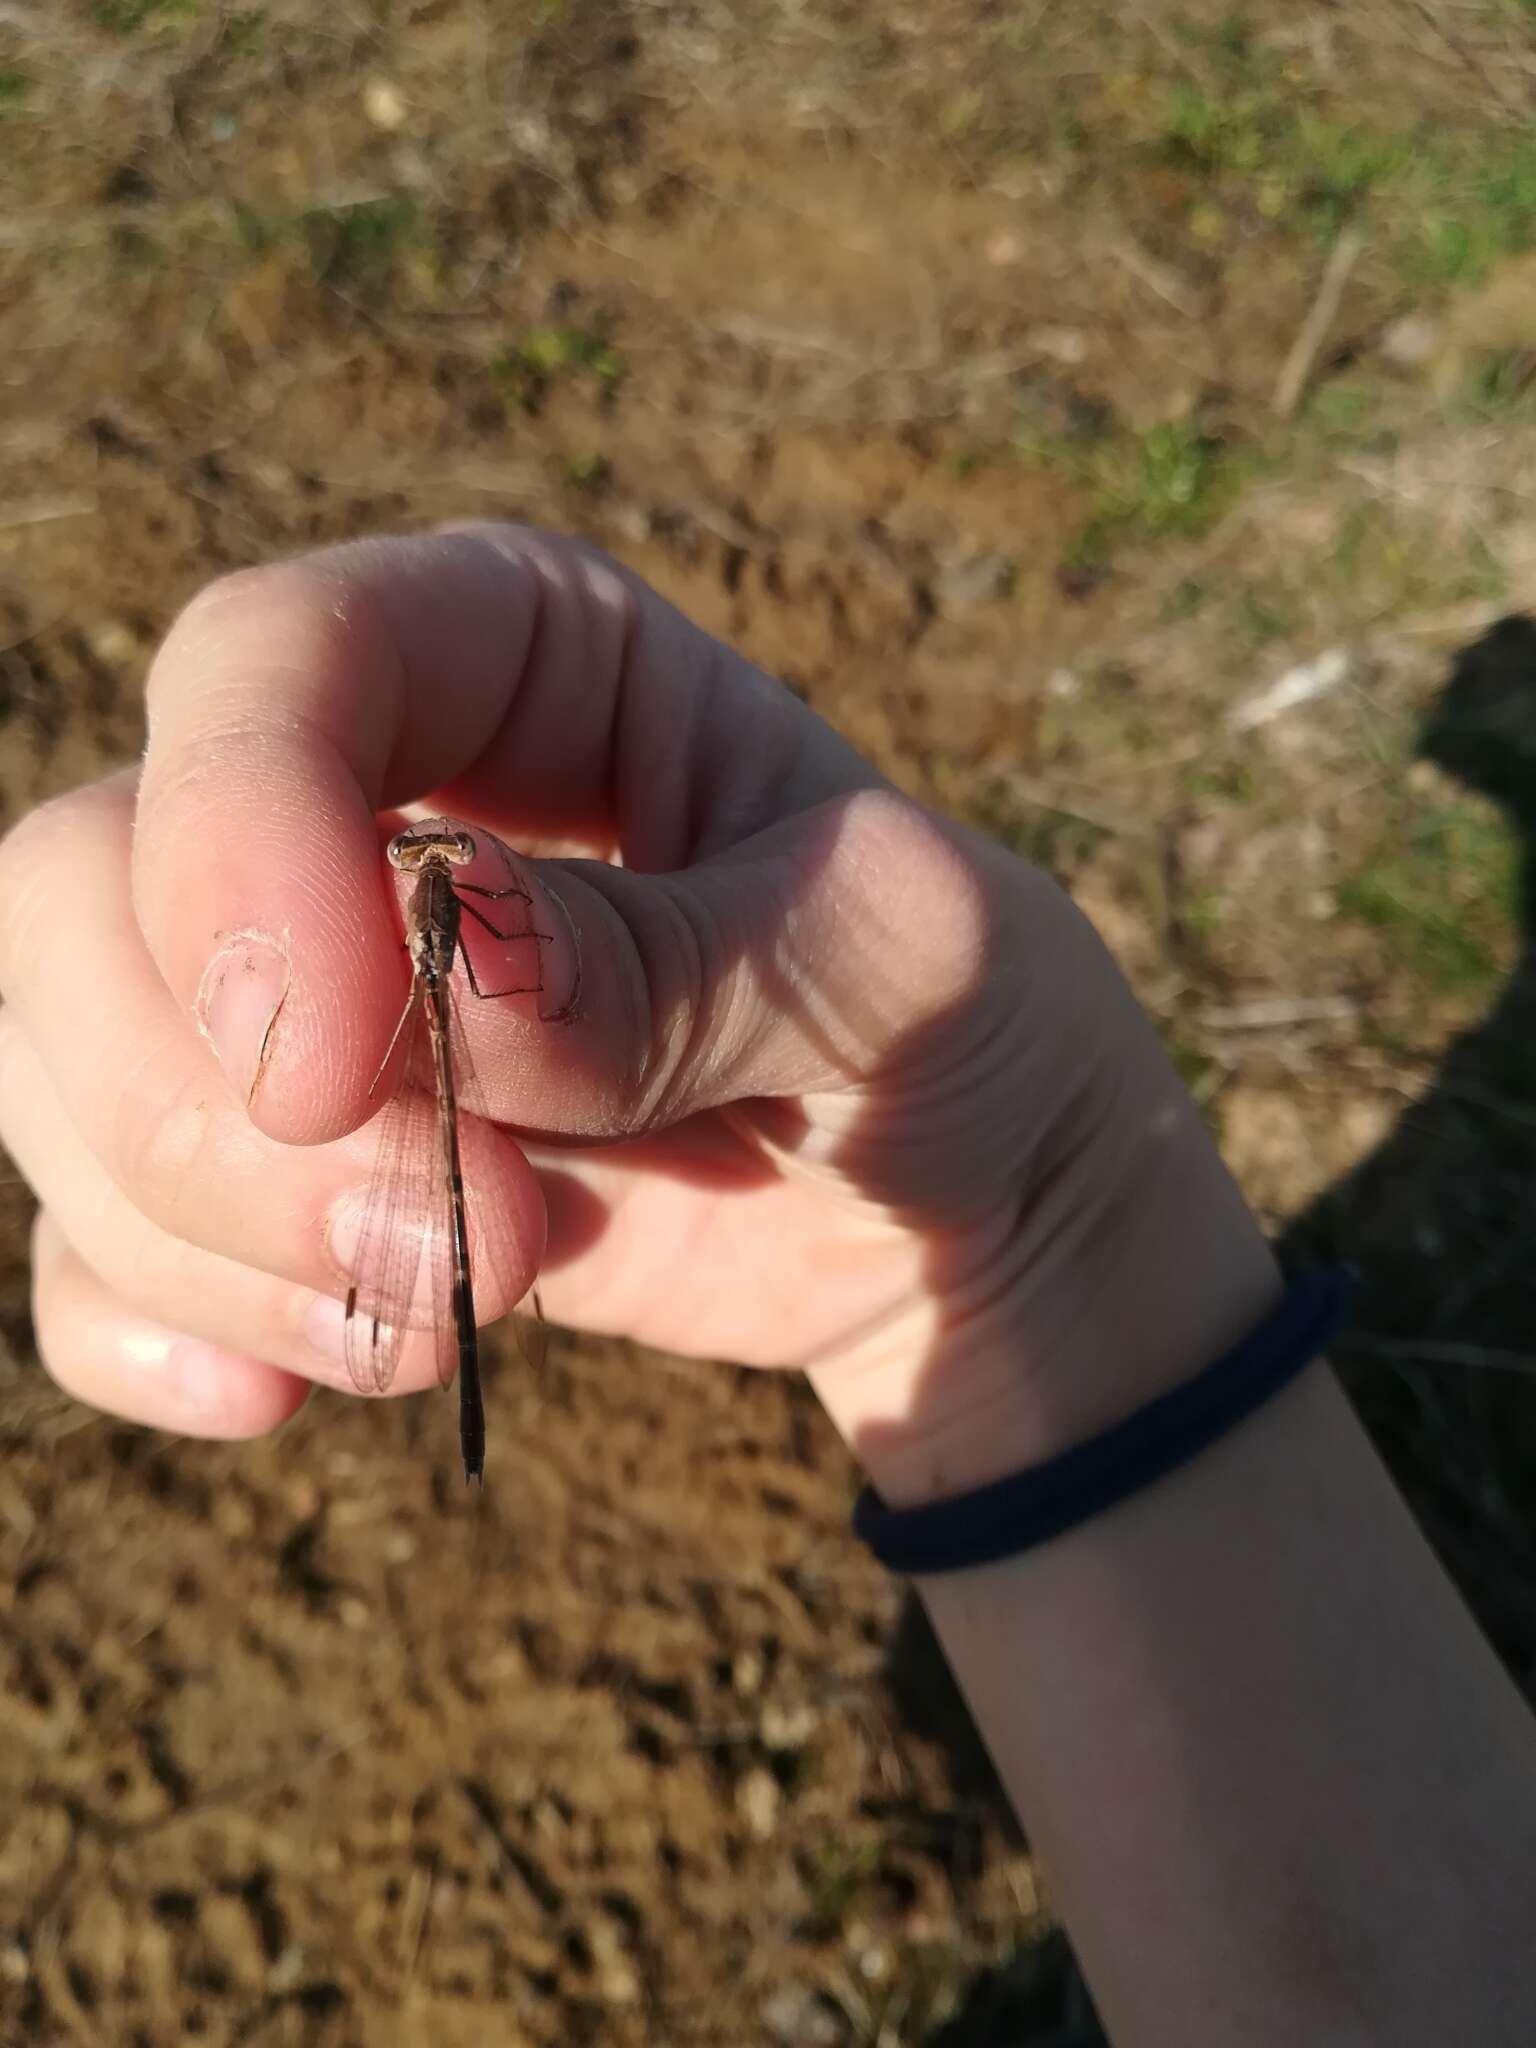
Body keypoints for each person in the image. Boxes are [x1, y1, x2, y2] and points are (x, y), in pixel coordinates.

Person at [0, 527, 1532, 2045]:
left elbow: (514, 972)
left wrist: (1054, 1240)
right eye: (414, 863)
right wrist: (1052, 1255)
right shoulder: (423, 923)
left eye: (422, 859)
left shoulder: (458, 898)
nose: (419, 865)